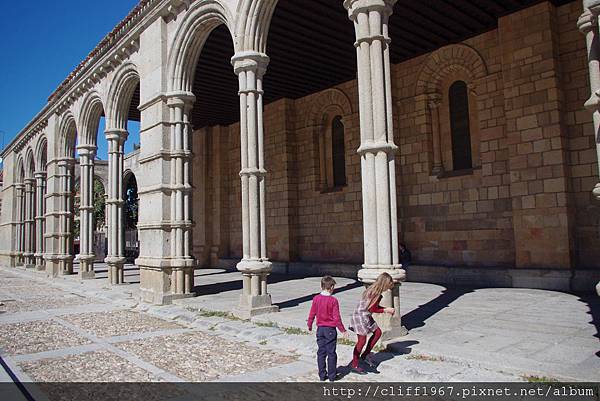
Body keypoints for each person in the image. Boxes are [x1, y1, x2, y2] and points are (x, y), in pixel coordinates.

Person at [348, 272, 395, 374]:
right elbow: (373, 308)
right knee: (361, 341)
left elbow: (371, 308)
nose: (388, 289)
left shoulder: (372, 289)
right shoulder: (376, 294)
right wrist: (386, 310)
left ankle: (365, 355)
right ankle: (354, 365)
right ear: (384, 284)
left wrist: (385, 309)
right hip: (360, 317)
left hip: (365, 315)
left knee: (378, 332)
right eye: (388, 286)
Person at [307, 276, 348, 382]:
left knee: (321, 352)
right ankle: (332, 376)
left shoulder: (316, 298)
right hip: (330, 329)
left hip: (320, 329)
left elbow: (312, 312)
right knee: (331, 353)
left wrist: (310, 324)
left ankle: (322, 375)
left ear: (321, 286)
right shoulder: (333, 300)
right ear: (332, 287)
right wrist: (343, 330)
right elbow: (336, 317)